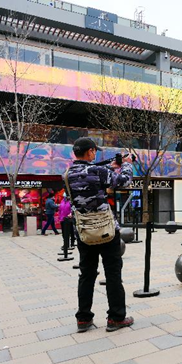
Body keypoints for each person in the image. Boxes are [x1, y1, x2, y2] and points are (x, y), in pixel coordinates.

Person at [65, 138, 134, 333]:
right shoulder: (98, 171)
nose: (95, 154)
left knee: (86, 274)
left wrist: (111, 167)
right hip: (106, 230)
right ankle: (116, 318)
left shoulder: (68, 174)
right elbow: (123, 181)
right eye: (94, 152)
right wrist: (127, 166)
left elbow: (89, 175)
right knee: (113, 273)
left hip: (84, 231)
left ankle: (83, 319)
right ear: (90, 152)